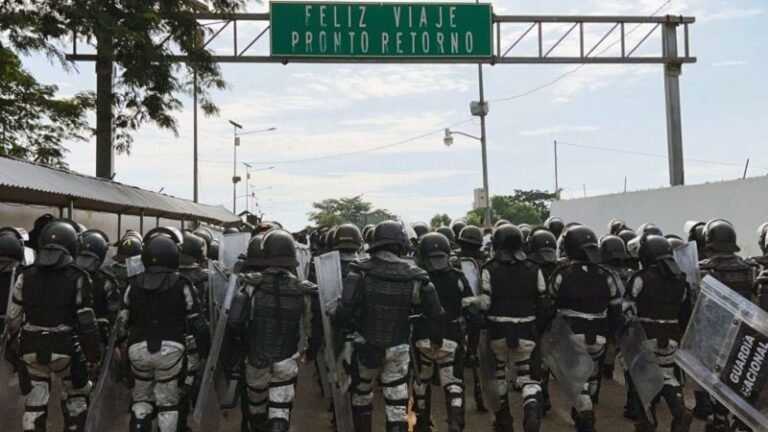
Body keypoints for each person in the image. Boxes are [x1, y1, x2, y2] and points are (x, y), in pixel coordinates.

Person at [336, 220, 444, 432]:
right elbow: (436, 314)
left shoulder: (359, 272)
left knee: (362, 395)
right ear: (400, 244)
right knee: (396, 402)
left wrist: (341, 335)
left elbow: (345, 311)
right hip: (398, 347)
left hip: (366, 345)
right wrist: (435, 339)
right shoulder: (415, 276)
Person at [5, 219, 101, 432]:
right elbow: (86, 321)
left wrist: (14, 348)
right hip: (66, 349)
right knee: (76, 397)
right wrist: (93, 356)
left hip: (31, 349)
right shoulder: (79, 276)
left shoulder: (25, 275)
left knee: (34, 404)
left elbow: (14, 317)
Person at [121, 227, 210, 432]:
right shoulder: (182, 284)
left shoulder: (133, 284)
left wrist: (119, 346)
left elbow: (122, 320)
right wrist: (205, 352)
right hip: (171, 351)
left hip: (137, 350)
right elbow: (198, 323)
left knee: (141, 399)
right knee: (167, 402)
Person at [238, 229, 317, 432]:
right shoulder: (302, 290)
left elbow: (236, 322)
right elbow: (310, 328)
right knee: (280, 412)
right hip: (286, 360)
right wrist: (310, 351)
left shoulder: (250, 286)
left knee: (256, 411)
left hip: (255, 361)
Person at [474, 225, 549, 432]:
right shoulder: (534, 268)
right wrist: (538, 327)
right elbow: (544, 302)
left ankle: (503, 420)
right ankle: (531, 412)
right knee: (529, 377)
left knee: (498, 375)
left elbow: (485, 304)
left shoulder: (489, 268)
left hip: (497, 331)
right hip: (527, 329)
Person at [550, 225, 622, 432]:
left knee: (576, 379)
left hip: (571, 335)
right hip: (598, 336)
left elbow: (549, 304)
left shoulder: (562, 273)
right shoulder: (606, 275)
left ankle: (586, 416)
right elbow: (616, 309)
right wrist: (612, 335)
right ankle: (582, 411)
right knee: (591, 375)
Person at [626, 235, 692, 432]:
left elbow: (627, 308)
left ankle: (647, 422)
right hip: (671, 337)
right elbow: (685, 312)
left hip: (645, 335)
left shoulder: (641, 277)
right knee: (667, 375)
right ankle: (680, 410)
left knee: (642, 378)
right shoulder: (681, 280)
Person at [698, 219, 756, 432]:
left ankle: (719, 418)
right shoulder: (748, 268)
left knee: (713, 378)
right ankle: (734, 418)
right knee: (736, 375)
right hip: (741, 332)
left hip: (713, 332)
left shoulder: (703, 268)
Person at [413, 232, 474, 432]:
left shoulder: (416, 279)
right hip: (451, 340)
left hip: (422, 340)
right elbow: (471, 309)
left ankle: (422, 422)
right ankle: (455, 421)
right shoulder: (458, 276)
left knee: (421, 382)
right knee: (453, 384)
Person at [177, 231, 210, 431]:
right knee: (190, 378)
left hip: (169, 335)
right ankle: (181, 422)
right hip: (194, 335)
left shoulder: (167, 276)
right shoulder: (205, 277)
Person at [455, 225, 489, 412]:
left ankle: (457, 400)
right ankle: (480, 393)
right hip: (480, 312)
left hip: (463, 310)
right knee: (481, 357)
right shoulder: (487, 262)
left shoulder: (454, 261)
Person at [75, 230, 120, 343]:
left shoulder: (69, 276)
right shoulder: (107, 280)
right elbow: (113, 314)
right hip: (98, 336)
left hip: (71, 335)